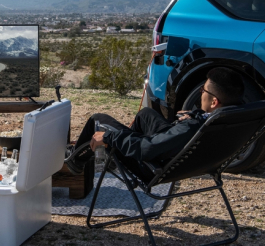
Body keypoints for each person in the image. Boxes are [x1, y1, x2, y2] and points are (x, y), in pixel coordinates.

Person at [64, 67, 245, 175]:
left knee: (98, 119)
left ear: (214, 102)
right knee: (146, 114)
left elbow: (147, 148)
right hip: (183, 157)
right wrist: (196, 115)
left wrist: (110, 137)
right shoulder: (233, 119)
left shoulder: (192, 127)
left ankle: (74, 161)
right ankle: (115, 157)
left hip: (154, 167)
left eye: (203, 91)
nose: (201, 93)